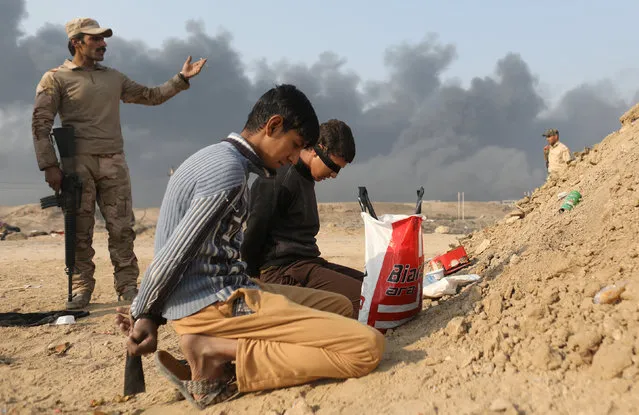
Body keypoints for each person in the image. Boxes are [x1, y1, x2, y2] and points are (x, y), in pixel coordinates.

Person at [114, 85, 384, 410]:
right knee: (367, 348)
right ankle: (216, 352)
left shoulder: (223, 158)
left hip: (231, 288)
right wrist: (145, 312)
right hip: (215, 303)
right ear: (272, 126)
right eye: (295, 145)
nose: (294, 157)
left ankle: (221, 351)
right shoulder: (227, 171)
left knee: (340, 307)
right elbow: (174, 252)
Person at [31, 18, 207, 309]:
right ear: (76, 42)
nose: (103, 44)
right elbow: (40, 123)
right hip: (77, 165)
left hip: (114, 162)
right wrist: (49, 166)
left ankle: (127, 287)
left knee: (122, 228)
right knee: (79, 230)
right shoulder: (55, 78)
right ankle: (81, 289)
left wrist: (181, 79)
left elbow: (150, 96)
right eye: (95, 39)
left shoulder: (113, 77)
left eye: (103, 39)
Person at [241, 119, 364, 319]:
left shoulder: (305, 178)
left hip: (308, 263)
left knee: (374, 286)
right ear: (317, 149)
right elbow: (254, 230)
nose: (333, 175)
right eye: (333, 166)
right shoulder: (280, 178)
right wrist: (255, 282)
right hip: (282, 271)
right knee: (363, 299)